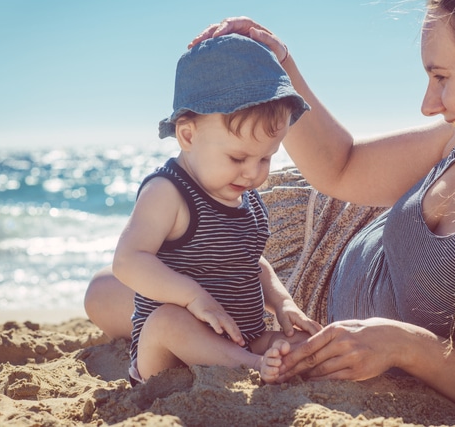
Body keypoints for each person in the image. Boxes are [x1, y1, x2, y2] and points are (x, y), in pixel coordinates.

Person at [84, 0, 455, 417]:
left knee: (115, 300)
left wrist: (414, 349)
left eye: (442, 77)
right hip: (320, 225)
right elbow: (340, 166)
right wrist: (281, 63)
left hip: (312, 319)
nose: (429, 104)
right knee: (107, 294)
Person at [110, 33, 320, 386]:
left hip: (242, 339)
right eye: (237, 157)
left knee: (302, 343)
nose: (253, 172)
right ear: (189, 136)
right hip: (168, 355)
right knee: (167, 321)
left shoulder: (245, 194)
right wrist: (192, 297)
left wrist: (283, 303)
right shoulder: (169, 191)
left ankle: (254, 361)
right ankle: (251, 366)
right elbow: (128, 260)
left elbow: (252, 261)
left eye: (266, 157)